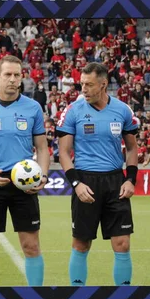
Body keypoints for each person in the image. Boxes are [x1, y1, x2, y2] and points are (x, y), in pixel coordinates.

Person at [0, 55, 50, 287]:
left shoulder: (33, 107)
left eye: (17, 75)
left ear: (22, 77)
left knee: (31, 245)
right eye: (8, 75)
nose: (12, 80)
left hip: (25, 184)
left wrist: (43, 175)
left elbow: (42, 147)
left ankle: (37, 298)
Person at [57, 62, 139, 286]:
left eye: (89, 84)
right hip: (85, 181)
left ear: (103, 84)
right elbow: (63, 153)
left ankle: (123, 296)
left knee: (122, 243)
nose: (83, 89)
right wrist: (76, 184)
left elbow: (132, 148)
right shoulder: (72, 111)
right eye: (82, 84)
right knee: (81, 244)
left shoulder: (122, 110)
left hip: (115, 181)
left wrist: (131, 180)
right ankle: (77, 295)